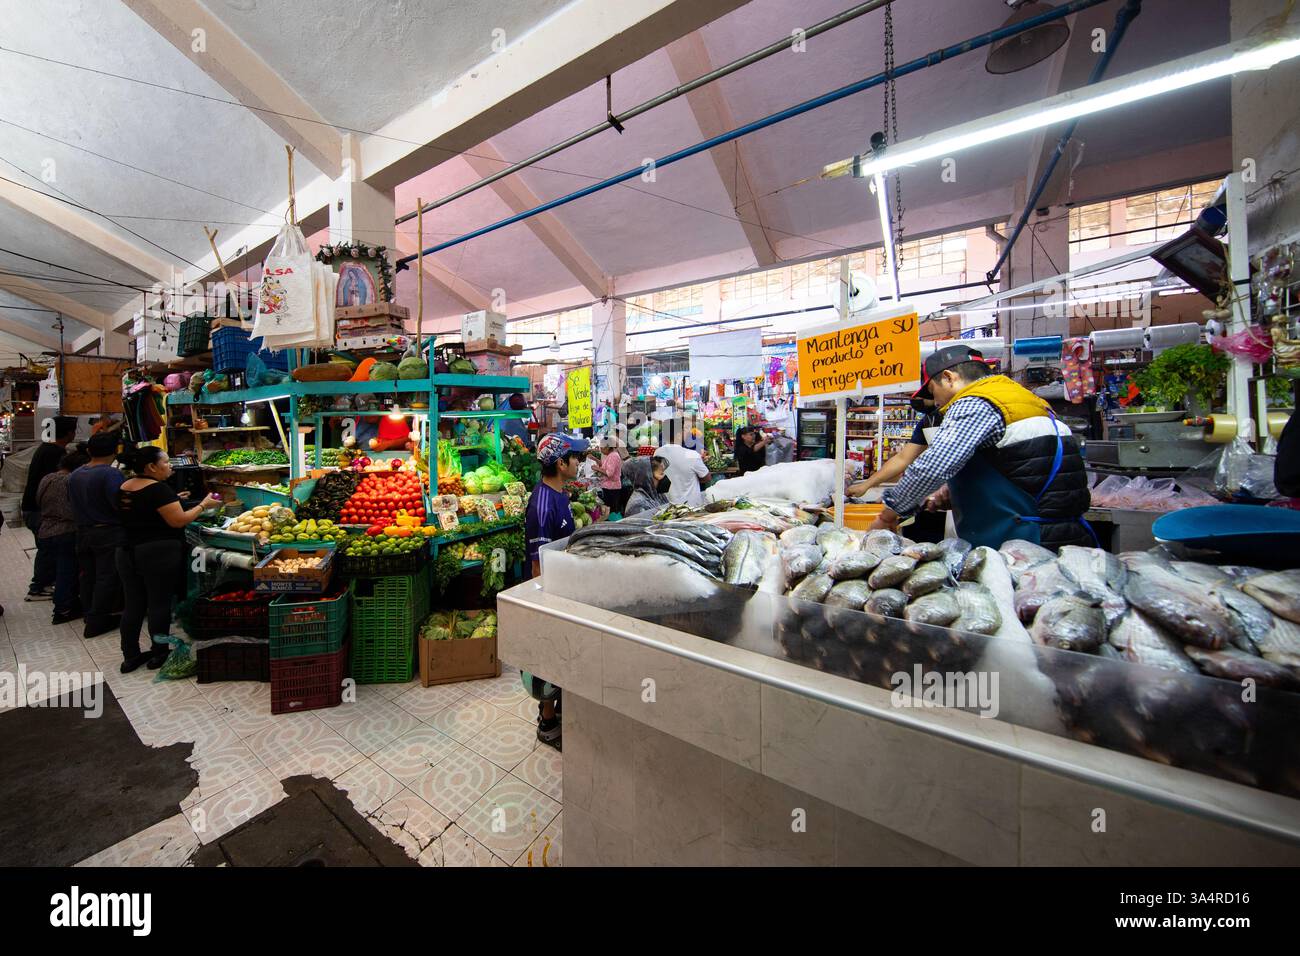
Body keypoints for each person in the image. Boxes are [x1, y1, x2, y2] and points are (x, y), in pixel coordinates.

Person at [869, 345, 1091, 550]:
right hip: (1057, 534)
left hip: (1022, 540)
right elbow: (1020, 466)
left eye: (933, 390)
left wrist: (889, 514)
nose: (935, 401)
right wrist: (954, 492)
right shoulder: (1024, 399)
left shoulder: (974, 402)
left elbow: (932, 466)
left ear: (948, 378)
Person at [115, 446, 223, 673]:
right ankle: (159, 654)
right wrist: (204, 505)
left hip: (127, 552)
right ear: (151, 467)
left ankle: (130, 656)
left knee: (133, 603)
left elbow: (146, 511)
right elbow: (178, 521)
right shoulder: (158, 489)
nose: (171, 465)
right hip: (157, 553)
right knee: (158, 603)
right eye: (165, 462)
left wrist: (174, 499)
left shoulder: (125, 486)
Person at [522, 432, 588, 750]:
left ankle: (556, 710)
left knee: (565, 656)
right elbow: (537, 567)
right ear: (561, 464)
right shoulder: (542, 505)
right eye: (575, 458)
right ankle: (547, 722)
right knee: (549, 657)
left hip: (565, 588)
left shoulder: (560, 494)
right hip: (549, 594)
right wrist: (550, 603)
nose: (579, 462)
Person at [68, 430, 127, 639]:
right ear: (115, 451)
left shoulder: (76, 474)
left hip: (83, 532)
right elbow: (119, 504)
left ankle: (90, 614)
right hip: (107, 533)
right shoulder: (110, 474)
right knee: (106, 576)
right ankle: (97, 620)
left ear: (90, 450)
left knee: (88, 575)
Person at [22, 415, 77, 601]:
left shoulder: (47, 449)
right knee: (48, 549)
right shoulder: (53, 453)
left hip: (35, 508)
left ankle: (44, 583)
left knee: (47, 547)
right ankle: (38, 588)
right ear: (68, 433)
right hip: (39, 511)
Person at [847, 396, 940, 499]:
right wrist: (865, 486)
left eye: (921, 394)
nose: (916, 398)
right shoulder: (927, 421)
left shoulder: (954, 417)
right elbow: (902, 459)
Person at [37, 447, 91, 626]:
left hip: (46, 530)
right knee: (67, 572)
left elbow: (38, 501)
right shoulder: (71, 480)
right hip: (66, 531)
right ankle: (63, 609)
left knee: (60, 571)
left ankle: (64, 605)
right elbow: (72, 509)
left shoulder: (48, 478)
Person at [654, 443, 710, 508]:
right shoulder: (692, 454)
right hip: (692, 507)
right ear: (679, 435)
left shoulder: (657, 452)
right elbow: (707, 477)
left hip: (667, 506)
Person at [595, 435, 623, 515]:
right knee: (609, 510)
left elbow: (609, 473)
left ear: (607, 447)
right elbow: (605, 467)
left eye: (602, 448)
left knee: (611, 511)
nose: (600, 450)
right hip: (609, 487)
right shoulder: (610, 455)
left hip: (612, 488)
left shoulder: (613, 456)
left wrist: (597, 469)